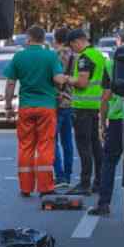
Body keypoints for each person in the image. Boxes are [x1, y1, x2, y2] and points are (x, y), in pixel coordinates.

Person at [4, 26, 70, 197]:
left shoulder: (19, 56)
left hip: (26, 107)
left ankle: (25, 188)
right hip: (47, 107)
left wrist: (8, 106)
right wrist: (64, 81)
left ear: (28, 38)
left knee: (25, 146)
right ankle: (45, 187)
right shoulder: (50, 56)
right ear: (43, 39)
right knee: (45, 146)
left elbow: (10, 83)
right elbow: (57, 78)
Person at [67, 28, 106, 194]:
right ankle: (99, 181)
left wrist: (68, 79)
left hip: (83, 108)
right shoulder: (98, 55)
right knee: (96, 146)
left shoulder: (84, 58)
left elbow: (82, 82)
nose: (72, 49)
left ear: (78, 41)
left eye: (72, 46)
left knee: (84, 147)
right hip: (95, 106)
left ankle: (84, 184)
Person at [89, 58, 124, 216]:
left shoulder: (112, 64)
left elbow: (106, 96)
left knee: (109, 160)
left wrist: (102, 124)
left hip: (118, 119)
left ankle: (104, 203)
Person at [52, 27, 75, 188]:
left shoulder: (56, 56)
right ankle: (67, 175)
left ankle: (59, 176)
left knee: (52, 140)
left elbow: (54, 78)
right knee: (68, 141)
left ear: (56, 39)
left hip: (57, 101)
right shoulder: (77, 55)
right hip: (73, 102)